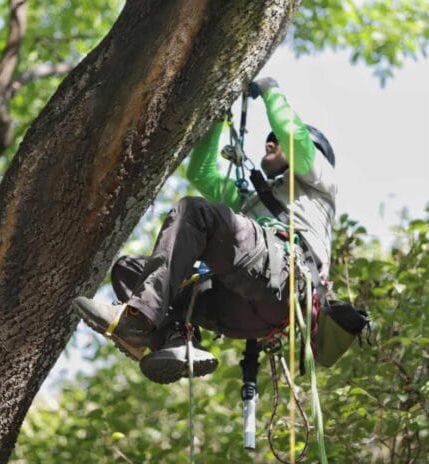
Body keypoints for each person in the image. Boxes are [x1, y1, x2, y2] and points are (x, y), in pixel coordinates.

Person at [73, 77, 337, 384]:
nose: (269, 143)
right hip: (239, 311)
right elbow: (202, 172)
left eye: (274, 140)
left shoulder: (321, 182)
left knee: (195, 212)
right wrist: (217, 117)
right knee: (128, 270)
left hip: (288, 282)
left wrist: (269, 88)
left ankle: (138, 320)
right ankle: (177, 341)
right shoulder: (250, 200)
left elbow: (294, 139)